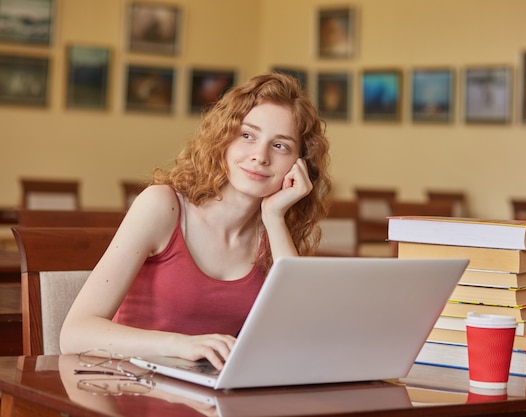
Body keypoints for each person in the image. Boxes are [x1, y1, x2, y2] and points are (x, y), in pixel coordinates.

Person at [60, 73, 332, 370]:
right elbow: (75, 332)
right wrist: (181, 345)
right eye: (247, 135)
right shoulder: (162, 206)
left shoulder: (278, 234)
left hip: (212, 400)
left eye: (280, 146)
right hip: (131, 390)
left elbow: (301, 338)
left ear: (300, 164)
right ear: (223, 139)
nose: (260, 156)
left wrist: (274, 217)